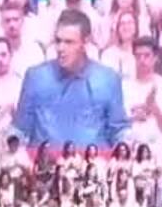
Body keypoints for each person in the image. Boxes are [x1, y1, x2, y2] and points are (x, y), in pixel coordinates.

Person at [12, 8, 130, 149]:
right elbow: (20, 130)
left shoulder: (108, 79)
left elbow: (119, 131)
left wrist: (129, 145)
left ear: (85, 43)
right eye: (58, 41)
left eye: (69, 42)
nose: (60, 48)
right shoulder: (35, 77)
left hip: (95, 160)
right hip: (45, 161)